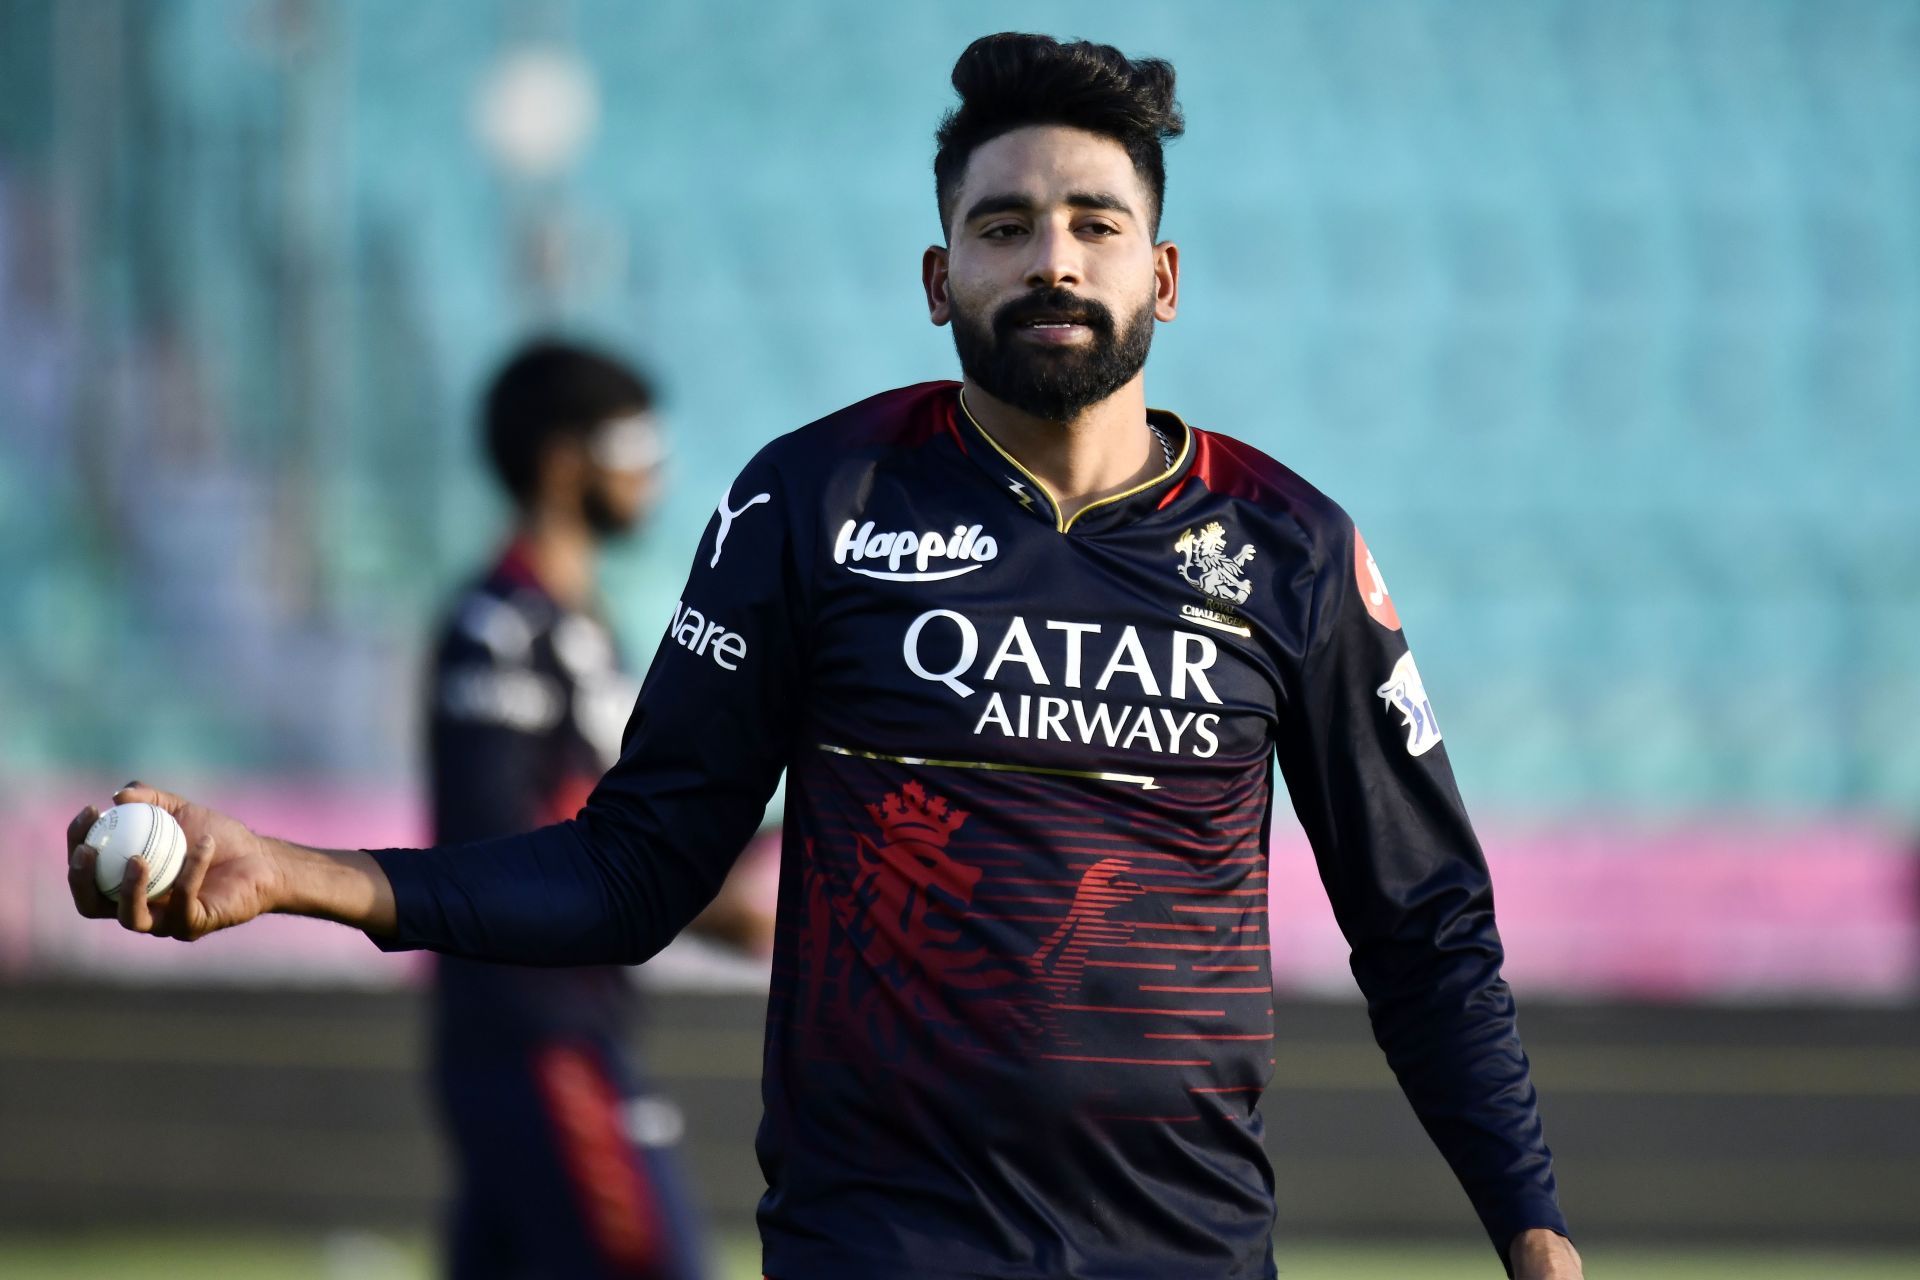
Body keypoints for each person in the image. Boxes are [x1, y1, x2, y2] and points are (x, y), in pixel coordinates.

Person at [65, 33, 1581, 1280]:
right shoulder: (811, 500)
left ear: (1162, 278)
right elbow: (631, 870)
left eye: (1092, 225)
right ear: (940, 282)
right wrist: (296, 871)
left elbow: (1425, 927)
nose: (1051, 260)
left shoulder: (1291, 546)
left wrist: (1537, 1237)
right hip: (881, 1247)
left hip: (1186, 1252)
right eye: (1003, 227)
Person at [423, 341, 765, 1279]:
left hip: (571, 1028)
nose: (654, 469)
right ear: (565, 459)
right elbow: (513, 842)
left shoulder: (585, 630)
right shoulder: (496, 629)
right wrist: (708, 899)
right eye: (634, 442)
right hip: (537, 1036)